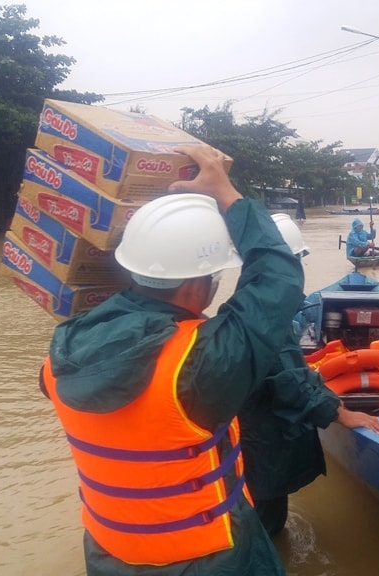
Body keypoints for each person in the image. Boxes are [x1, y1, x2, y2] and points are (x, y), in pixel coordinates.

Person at [39, 144, 303, 576]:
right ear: (194, 285)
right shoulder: (202, 362)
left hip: (110, 556)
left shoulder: (61, 352)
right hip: (208, 560)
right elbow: (278, 280)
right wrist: (228, 195)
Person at [241, 214, 379, 536]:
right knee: (266, 521)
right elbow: (291, 381)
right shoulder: (267, 317)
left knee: (256, 511)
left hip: (250, 437)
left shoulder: (247, 303)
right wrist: (340, 413)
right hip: (264, 442)